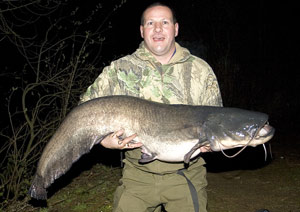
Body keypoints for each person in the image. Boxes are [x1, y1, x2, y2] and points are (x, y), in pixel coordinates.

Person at [80, 2, 222, 212]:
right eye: (150, 23)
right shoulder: (120, 69)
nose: (157, 28)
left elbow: (216, 122)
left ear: (175, 29)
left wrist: (213, 143)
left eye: (164, 22)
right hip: (137, 176)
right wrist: (102, 140)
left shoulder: (201, 70)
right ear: (142, 31)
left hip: (186, 175)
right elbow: (84, 112)